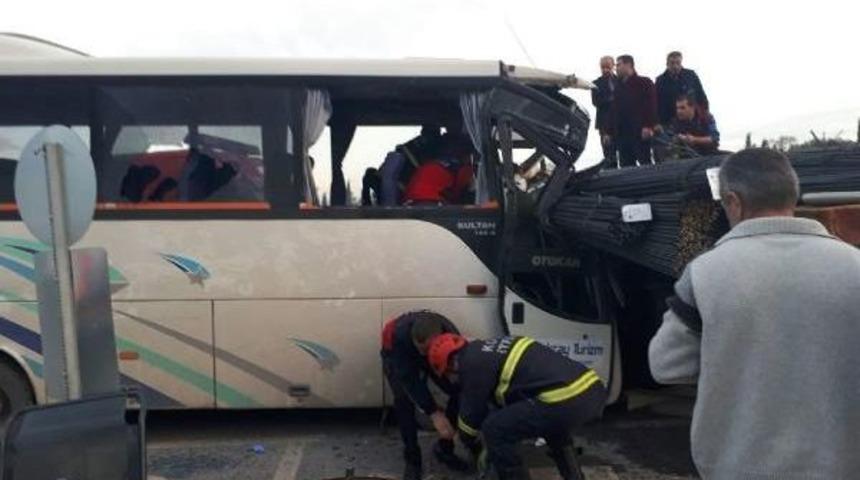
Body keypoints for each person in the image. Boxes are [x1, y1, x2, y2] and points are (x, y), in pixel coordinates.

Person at [648, 148, 860, 480]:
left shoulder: (706, 273)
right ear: (794, 194)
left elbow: (666, 365)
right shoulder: (854, 265)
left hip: (739, 466)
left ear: (733, 201)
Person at [428, 334, 606, 480]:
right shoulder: (489, 349)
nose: (451, 380)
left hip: (565, 399)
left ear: (450, 365)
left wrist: (467, 441)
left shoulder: (471, 365)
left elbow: (470, 419)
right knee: (552, 425)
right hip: (590, 390)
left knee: (495, 428)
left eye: (447, 375)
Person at [381, 311, 470, 480]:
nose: (422, 355)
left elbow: (457, 369)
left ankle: (445, 449)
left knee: (457, 390)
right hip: (398, 355)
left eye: (425, 350)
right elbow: (409, 379)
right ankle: (413, 459)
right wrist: (434, 412)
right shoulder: (399, 336)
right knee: (403, 401)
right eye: (420, 349)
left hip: (436, 352)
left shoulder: (449, 332)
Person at [606, 54, 658, 167]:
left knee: (645, 163)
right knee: (626, 166)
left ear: (628, 65)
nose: (616, 68)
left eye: (619, 65)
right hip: (622, 134)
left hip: (640, 132)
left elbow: (652, 106)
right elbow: (613, 110)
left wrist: (649, 126)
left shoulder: (645, 83)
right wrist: (609, 131)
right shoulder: (618, 88)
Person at [403, 133, 474, 205]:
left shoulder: (430, 164)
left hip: (409, 205)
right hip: (433, 204)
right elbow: (470, 192)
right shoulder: (462, 169)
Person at [655, 51, 709, 127]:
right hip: (669, 121)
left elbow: (701, 96)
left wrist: (705, 114)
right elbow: (657, 103)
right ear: (667, 64)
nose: (675, 66)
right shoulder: (660, 81)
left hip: (691, 119)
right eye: (672, 63)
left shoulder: (691, 76)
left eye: (678, 63)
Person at [591, 56, 619, 168]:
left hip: (621, 123)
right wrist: (612, 98)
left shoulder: (620, 81)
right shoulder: (596, 84)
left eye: (607, 67)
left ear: (613, 66)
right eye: (603, 67)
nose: (605, 70)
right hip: (604, 125)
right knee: (609, 155)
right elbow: (596, 102)